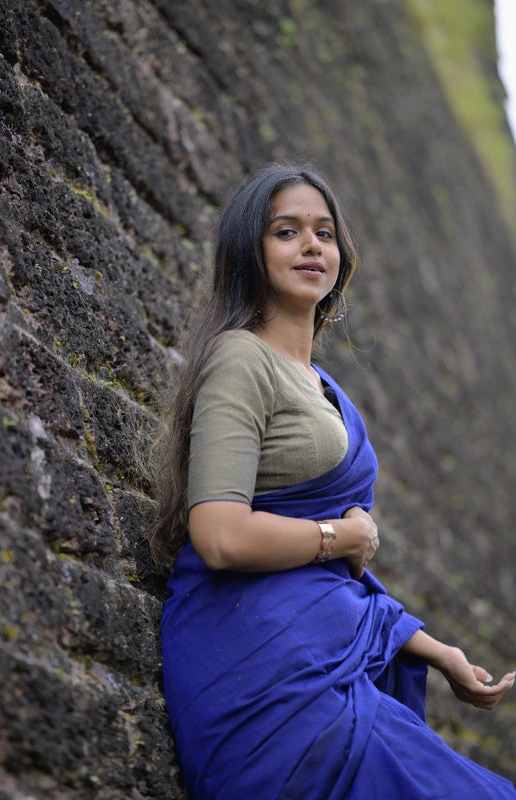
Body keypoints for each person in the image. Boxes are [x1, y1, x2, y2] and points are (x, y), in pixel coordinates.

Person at [149, 163, 516, 799]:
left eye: (324, 232)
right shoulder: (241, 359)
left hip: (313, 652)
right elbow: (220, 535)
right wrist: (338, 539)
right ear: (249, 250)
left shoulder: (322, 386)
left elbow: (334, 588)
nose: (311, 245)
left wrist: (440, 653)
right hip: (260, 664)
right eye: (286, 231)